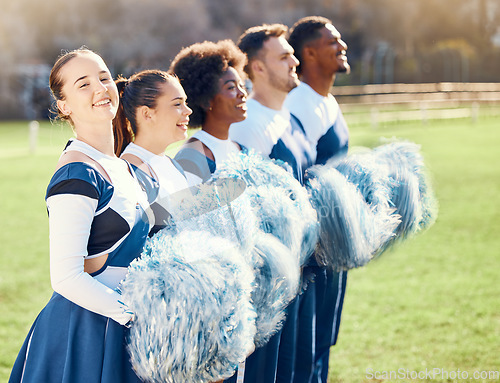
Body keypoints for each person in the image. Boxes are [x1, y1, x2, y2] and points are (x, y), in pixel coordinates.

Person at [9, 48, 151, 383]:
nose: (101, 88)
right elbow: (66, 277)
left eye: (104, 77)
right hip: (86, 334)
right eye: (84, 84)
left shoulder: (119, 165)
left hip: (124, 330)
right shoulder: (77, 173)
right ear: (64, 106)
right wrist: (138, 315)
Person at [228, 24, 315, 383]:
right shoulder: (246, 126)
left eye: (292, 54)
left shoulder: (290, 119)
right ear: (257, 68)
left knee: (301, 367)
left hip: (303, 266)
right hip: (270, 278)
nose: (294, 60)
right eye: (283, 56)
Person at [285, 16, 351, 382]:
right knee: (304, 351)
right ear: (309, 52)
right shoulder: (299, 105)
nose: (342, 46)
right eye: (332, 42)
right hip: (311, 251)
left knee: (324, 342)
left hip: (335, 243)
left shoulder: (328, 101)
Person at [112, 69, 192, 235]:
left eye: (185, 102)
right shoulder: (128, 172)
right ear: (147, 114)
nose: (188, 110)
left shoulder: (173, 165)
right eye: (177, 104)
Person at [169, 39, 248, 186]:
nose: (242, 93)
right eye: (231, 87)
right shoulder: (192, 156)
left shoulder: (241, 149)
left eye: (241, 85)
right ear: (206, 100)